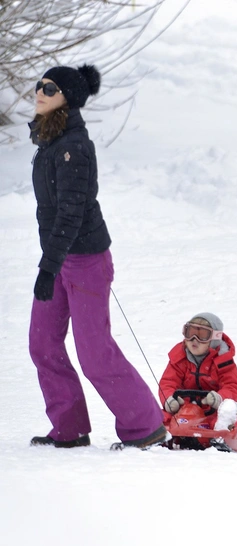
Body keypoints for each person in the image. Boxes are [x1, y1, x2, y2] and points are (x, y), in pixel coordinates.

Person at [28, 64, 167, 449]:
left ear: (67, 98)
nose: (39, 91)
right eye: (39, 84)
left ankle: (145, 427)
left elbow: (71, 214)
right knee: (43, 344)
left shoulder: (73, 145)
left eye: (49, 87)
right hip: (56, 257)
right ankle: (69, 427)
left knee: (95, 353)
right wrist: (50, 264)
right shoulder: (50, 139)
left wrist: (48, 266)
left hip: (85, 259)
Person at [158, 313, 237, 437]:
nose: (194, 340)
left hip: (211, 411)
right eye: (190, 332)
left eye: (202, 335)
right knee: (158, 416)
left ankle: (221, 436)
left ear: (214, 339)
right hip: (182, 410)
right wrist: (169, 399)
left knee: (223, 419)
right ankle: (154, 435)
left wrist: (219, 398)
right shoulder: (179, 358)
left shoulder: (223, 361)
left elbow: (233, 386)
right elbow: (168, 383)